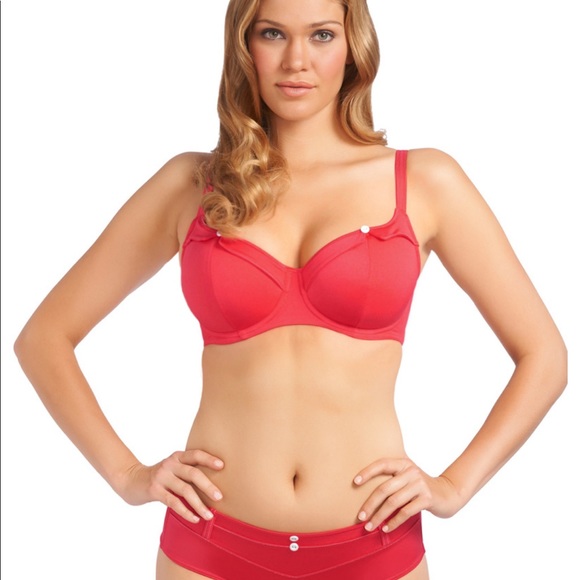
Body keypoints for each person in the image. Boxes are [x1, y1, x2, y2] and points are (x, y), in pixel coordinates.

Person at [13, 0, 568, 578]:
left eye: (321, 35)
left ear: (353, 48)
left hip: (374, 548)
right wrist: (127, 476)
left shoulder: (426, 182)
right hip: (209, 546)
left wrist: (454, 485)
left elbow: (544, 356)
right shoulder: (192, 185)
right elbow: (44, 337)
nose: (296, 60)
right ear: (243, 46)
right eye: (272, 33)